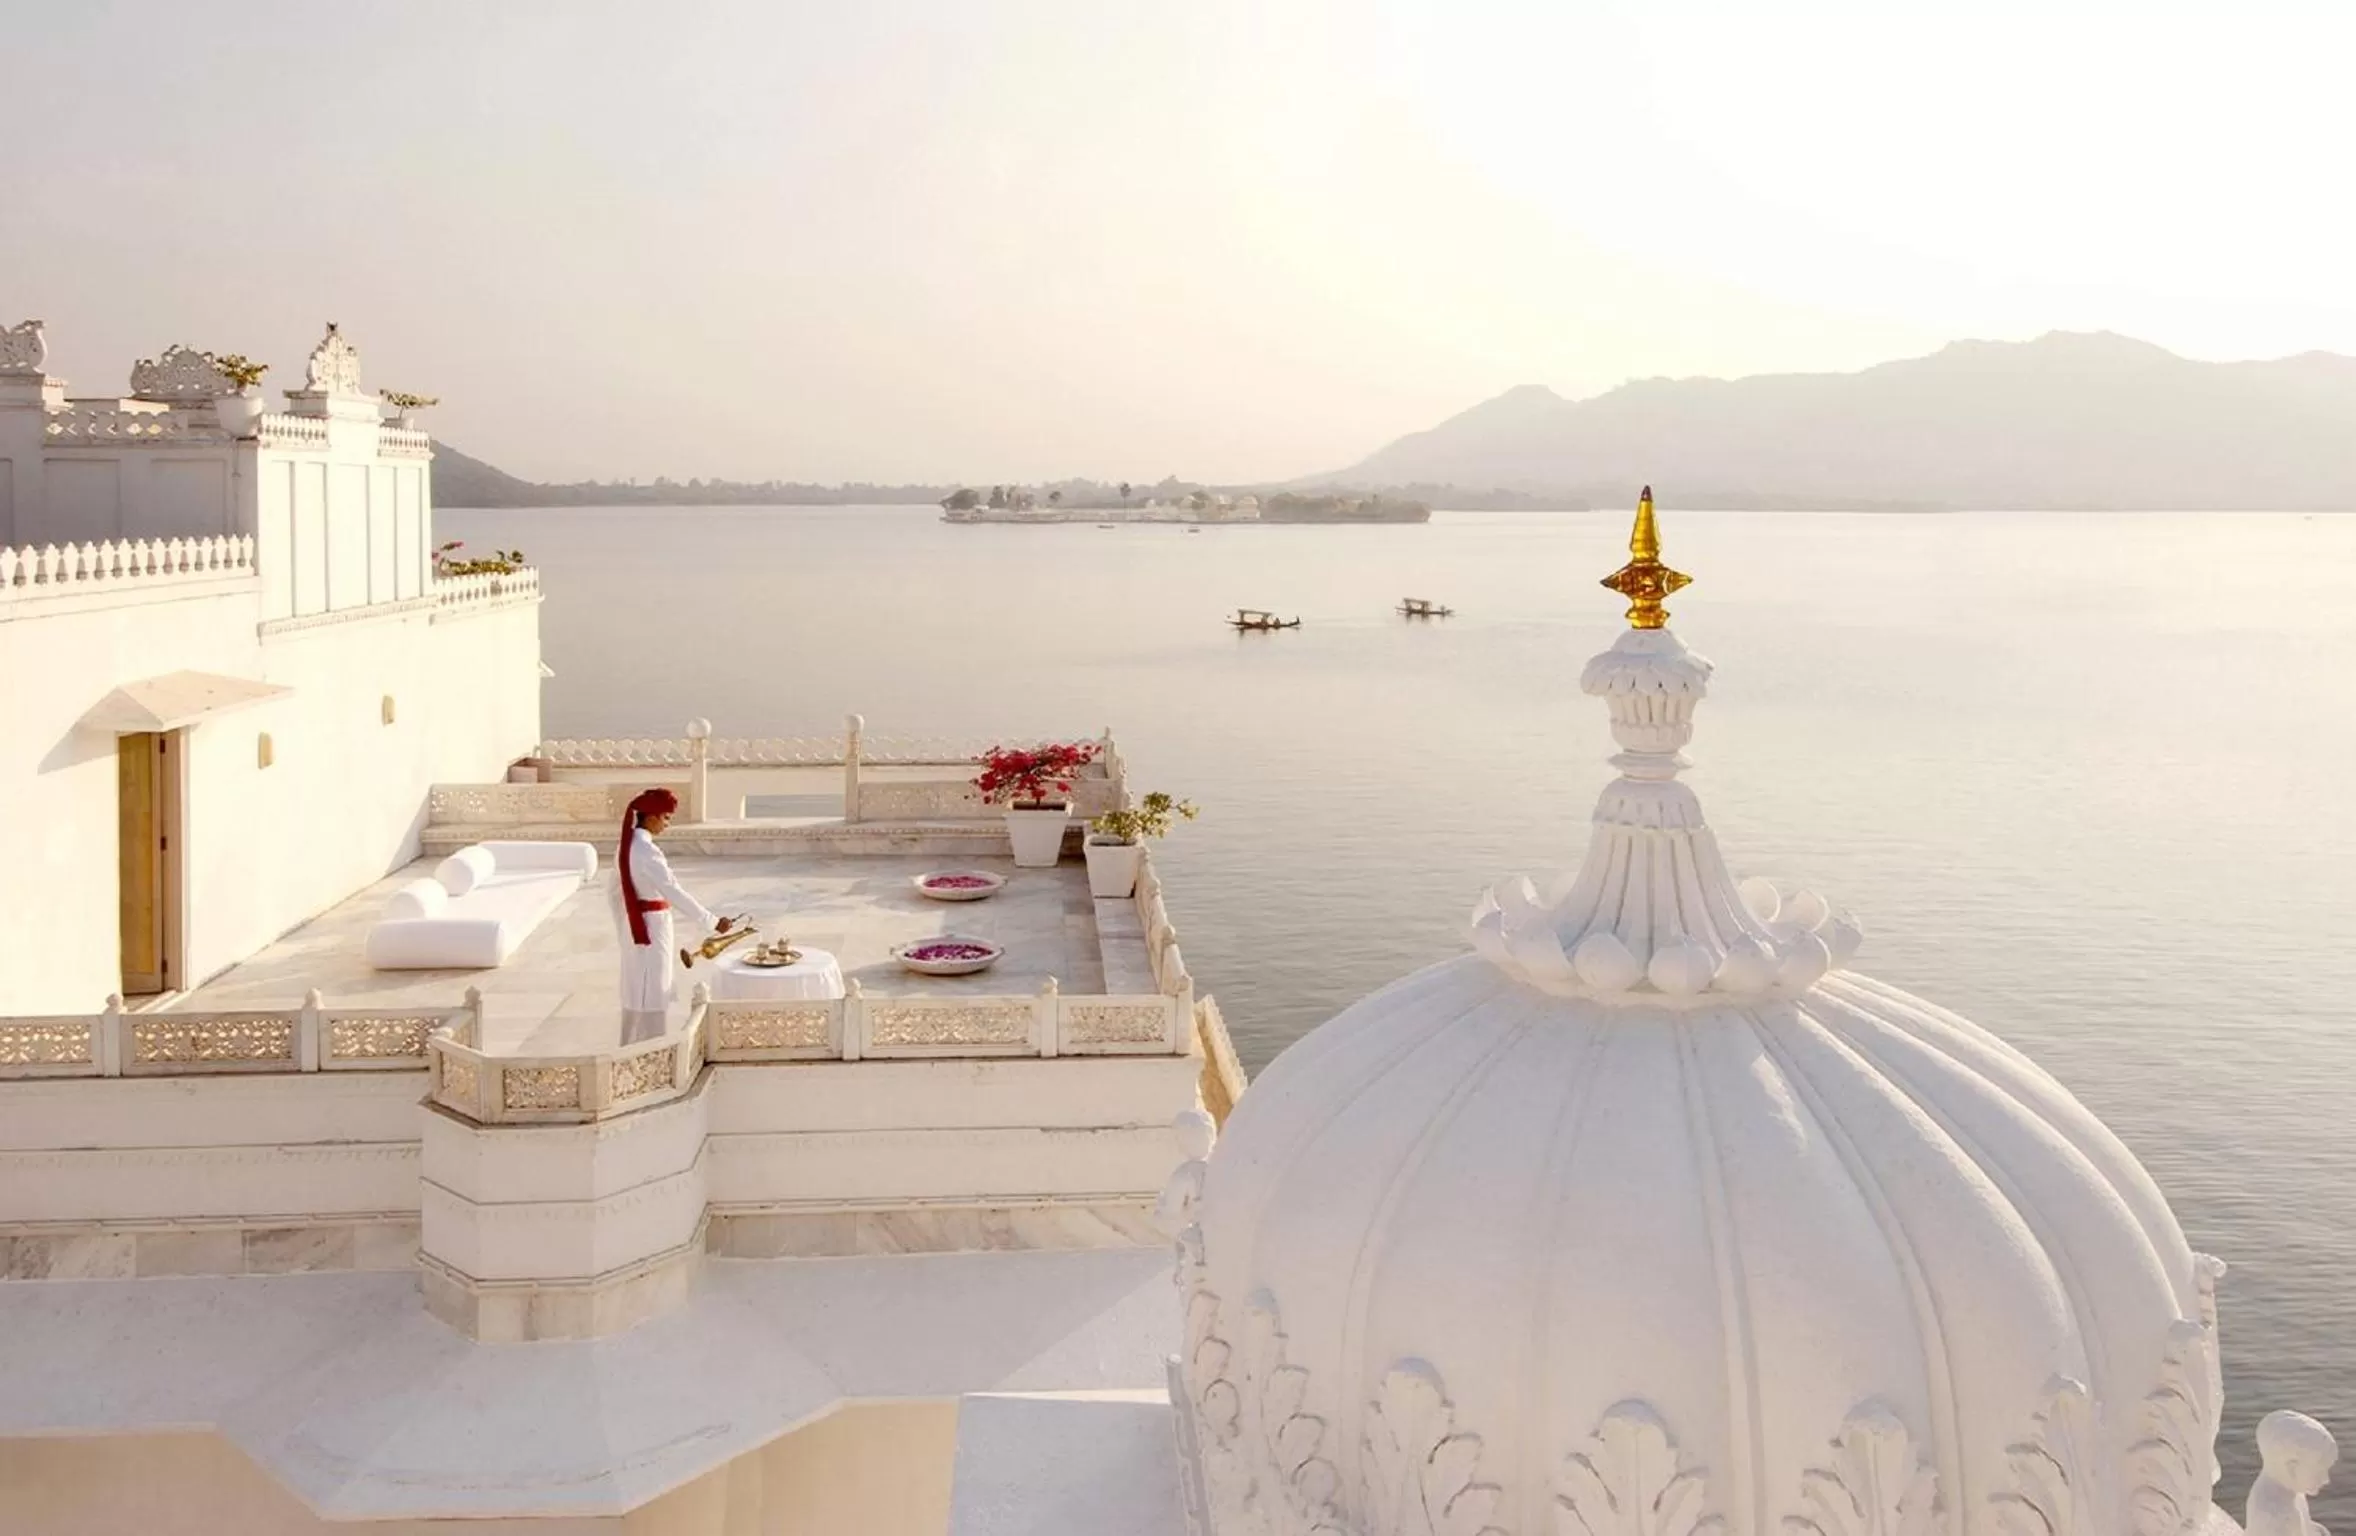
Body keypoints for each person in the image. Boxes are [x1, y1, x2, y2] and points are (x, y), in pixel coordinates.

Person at [612, 788, 728, 1044]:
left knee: (636, 987)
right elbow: (674, 891)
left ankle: (630, 1043)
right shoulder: (647, 851)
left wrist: (623, 923)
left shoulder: (626, 845)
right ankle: (651, 1047)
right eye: (665, 818)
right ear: (651, 817)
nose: (667, 824)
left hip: (635, 926)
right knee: (653, 988)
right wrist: (710, 920)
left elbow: (614, 892)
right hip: (651, 927)